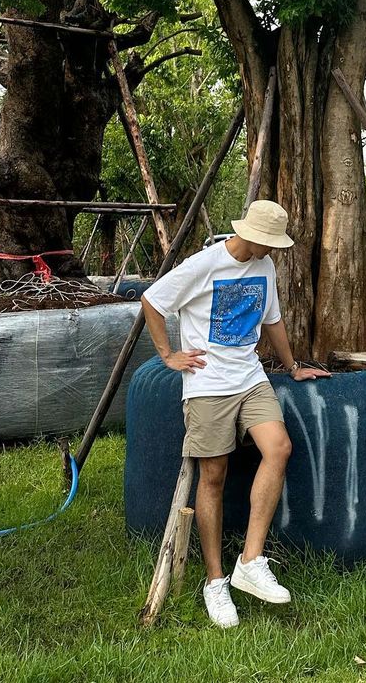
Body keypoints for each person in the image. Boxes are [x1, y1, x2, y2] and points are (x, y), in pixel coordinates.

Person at [142, 199, 330, 628]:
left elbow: (273, 321)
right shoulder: (203, 265)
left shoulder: (265, 267)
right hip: (208, 385)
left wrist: (293, 366)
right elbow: (152, 301)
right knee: (213, 477)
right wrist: (168, 354)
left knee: (278, 448)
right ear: (246, 232)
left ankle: (250, 561)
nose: (270, 249)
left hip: (250, 378)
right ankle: (215, 582)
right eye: (266, 241)